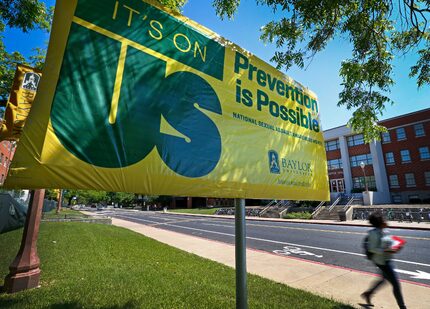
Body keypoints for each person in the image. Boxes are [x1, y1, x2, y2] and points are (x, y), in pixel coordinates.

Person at [361, 211, 406, 308]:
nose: (385, 220)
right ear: (379, 222)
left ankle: (368, 294)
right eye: (383, 219)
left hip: (388, 259)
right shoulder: (374, 233)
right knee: (396, 285)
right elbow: (372, 248)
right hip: (382, 262)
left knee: (384, 279)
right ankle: (403, 307)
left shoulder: (384, 230)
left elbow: (388, 241)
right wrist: (386, 250)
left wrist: (397, 244)